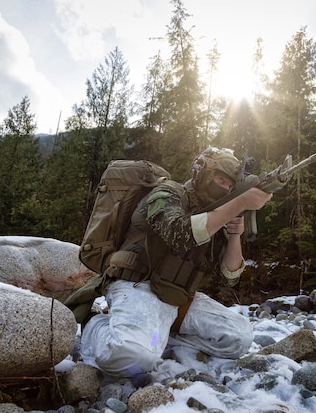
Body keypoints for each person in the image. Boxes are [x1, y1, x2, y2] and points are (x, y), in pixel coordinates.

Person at [80, 147, 272, 384]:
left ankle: (156, 337)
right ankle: (95, 325)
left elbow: (229, 278)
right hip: (138, 286)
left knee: (239, 338)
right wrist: (238, 201)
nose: (225, 188)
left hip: (178, 298)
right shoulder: (166, 193)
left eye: (231, 186)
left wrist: (234, 236)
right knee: (133, 359)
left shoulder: (216, 215)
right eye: (220, 179)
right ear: (201, 174)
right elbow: (179, 233)